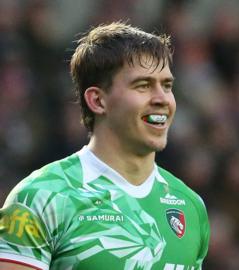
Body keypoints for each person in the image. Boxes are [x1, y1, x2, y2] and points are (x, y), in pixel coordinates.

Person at [0, 22, 210, 270]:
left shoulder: (189, 205)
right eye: (143, 85)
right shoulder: (41, 197)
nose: (162, 99)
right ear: (98, 101)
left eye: (167, 86)